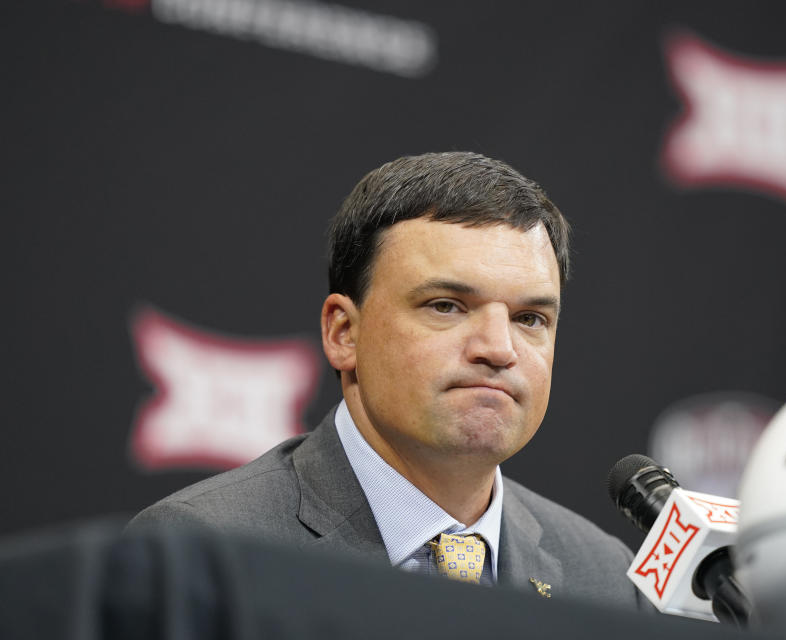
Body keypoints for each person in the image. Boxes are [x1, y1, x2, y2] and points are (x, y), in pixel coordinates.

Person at [128, 151, 642, 609]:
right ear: (343, 333)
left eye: (530, 318)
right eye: (446, 306)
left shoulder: (603, 578)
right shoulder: (200, 551)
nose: (498, 349)